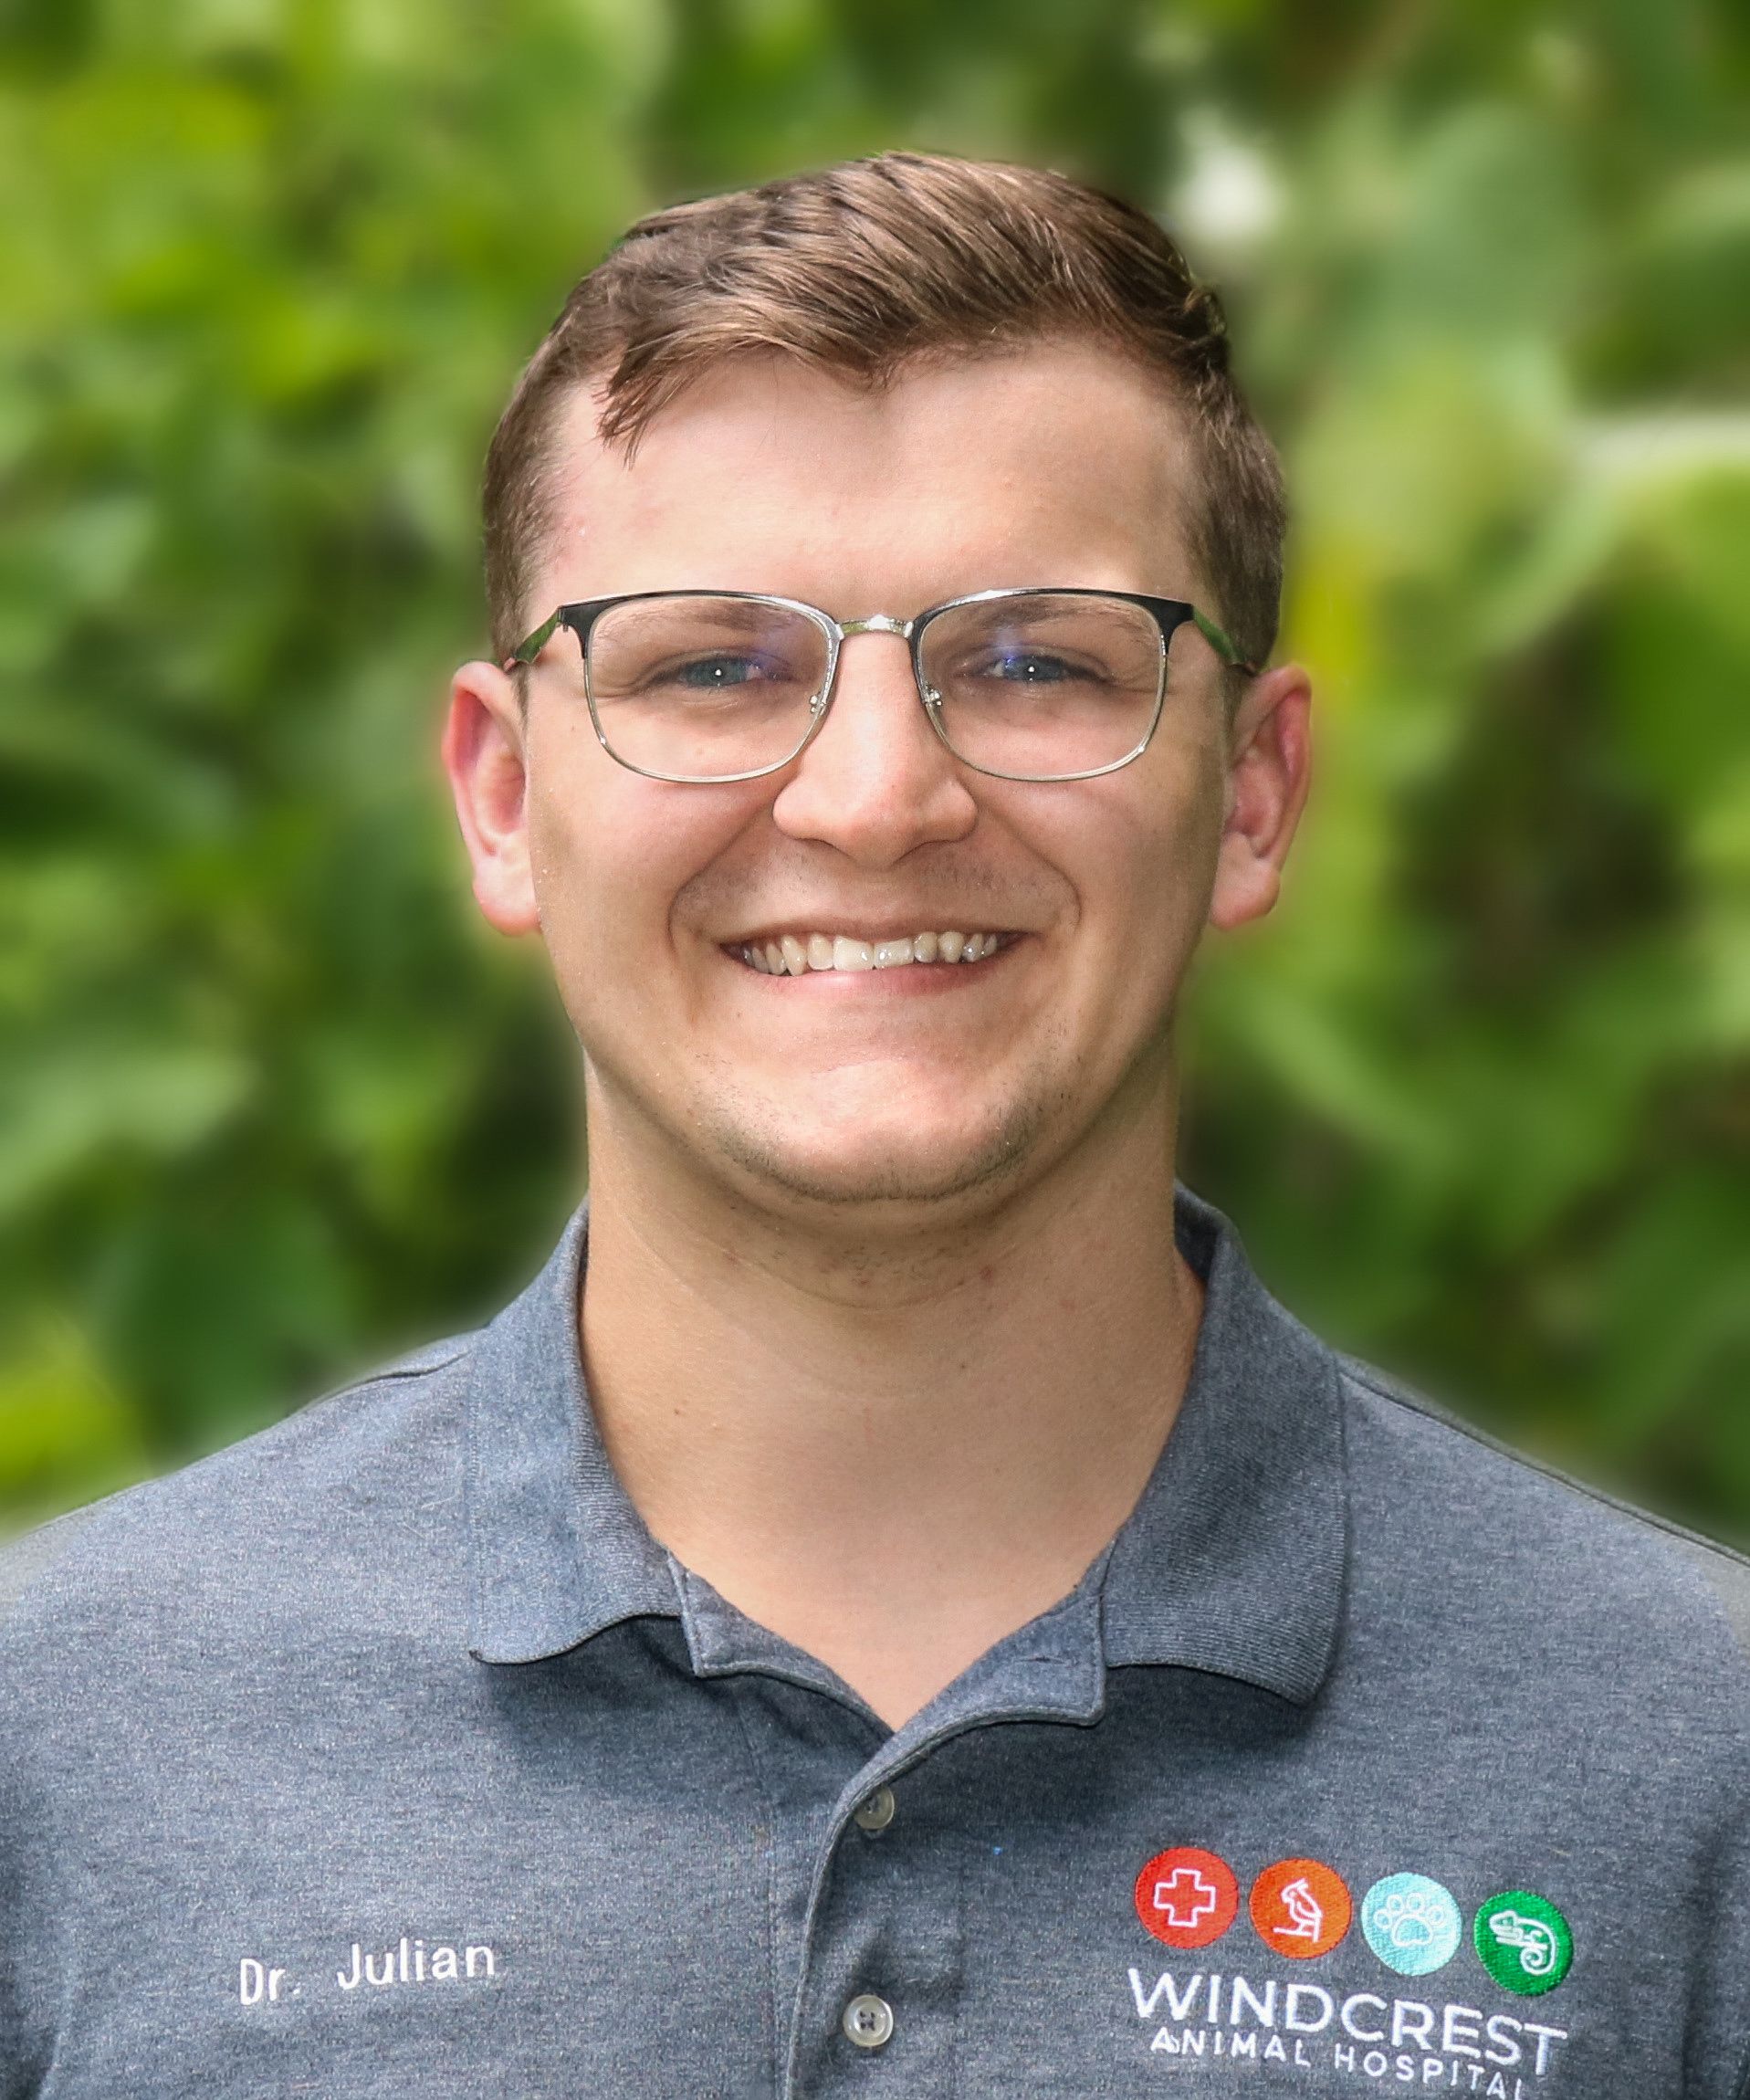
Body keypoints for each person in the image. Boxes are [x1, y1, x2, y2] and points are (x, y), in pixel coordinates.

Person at [1, 152, 1746, 2100]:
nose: (871, 798)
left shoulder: (1694, 1760)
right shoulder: (60, 1743)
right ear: (500, 798)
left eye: (1036, 661)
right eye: (710, 667)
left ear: (1252, 794)